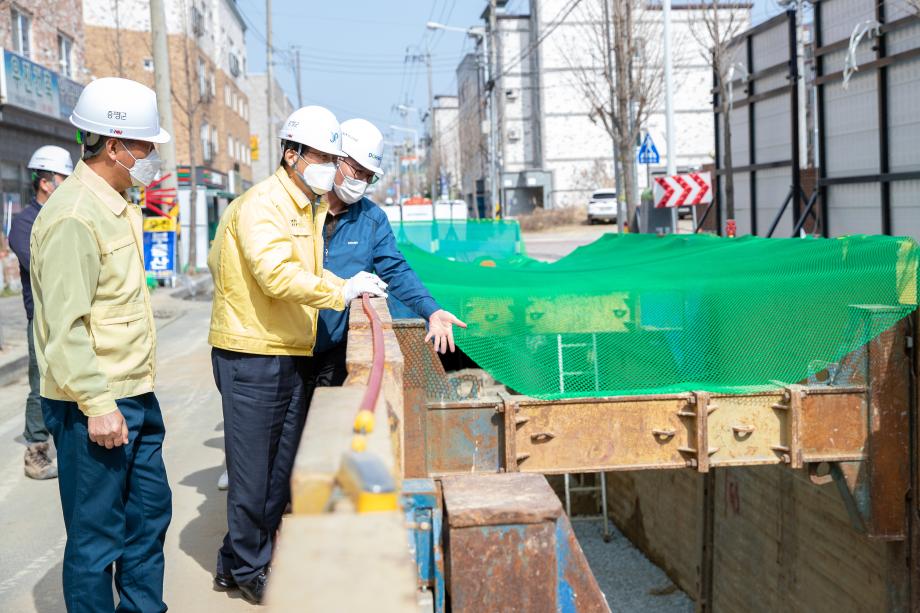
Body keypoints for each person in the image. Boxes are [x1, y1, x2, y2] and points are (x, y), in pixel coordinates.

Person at [208, 105, 388, 604]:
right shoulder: (262, 205)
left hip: (285, 349)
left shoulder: (303, 206)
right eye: (324, 156)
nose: (332, 167)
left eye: (336, 158)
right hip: (251, 354)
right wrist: (341, 292)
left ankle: (233, 561)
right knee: (253, 474)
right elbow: (276, 275)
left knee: (277, 470)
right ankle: (250, 568)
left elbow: (301, 270)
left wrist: (345, 284)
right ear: (291, 154)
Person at [31, 77, 172, 612]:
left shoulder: (112, 204)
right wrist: (98, 405)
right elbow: (64, 329)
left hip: (135, 395)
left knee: (148, 517)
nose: (152, 156)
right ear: (114, 145)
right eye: (145, 146)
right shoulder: (72, 216)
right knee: (96, 541)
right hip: (94, 406)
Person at [311, 117, 467, 388]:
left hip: (335, 346)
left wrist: (431, 310)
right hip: (286, 345)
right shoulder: (301, 207)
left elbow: (395, 270)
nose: (361, 181)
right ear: (335, 159)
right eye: (356, 171)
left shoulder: (371, 219)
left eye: (368, 176)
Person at [9, 145, 73, 480]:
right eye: (63, 176)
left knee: (71, 383)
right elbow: (42, 267)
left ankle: (71, 447)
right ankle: (35, 451)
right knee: (41, 384)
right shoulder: (25, 223)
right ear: (46, 182)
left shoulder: (62, 216)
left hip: (70, 313)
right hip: (43, 318)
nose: (67, 182)